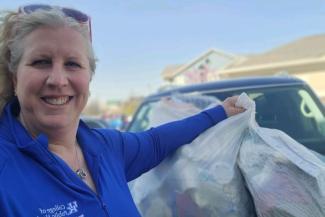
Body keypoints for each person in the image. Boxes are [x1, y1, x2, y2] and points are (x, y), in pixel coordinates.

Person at [0, 4, 245, 217]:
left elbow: (157, 141)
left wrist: (219, 112)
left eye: (72, 64)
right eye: (40, 62)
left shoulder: (106, 148)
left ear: (89, 77)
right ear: (14, 77)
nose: (57, 79)